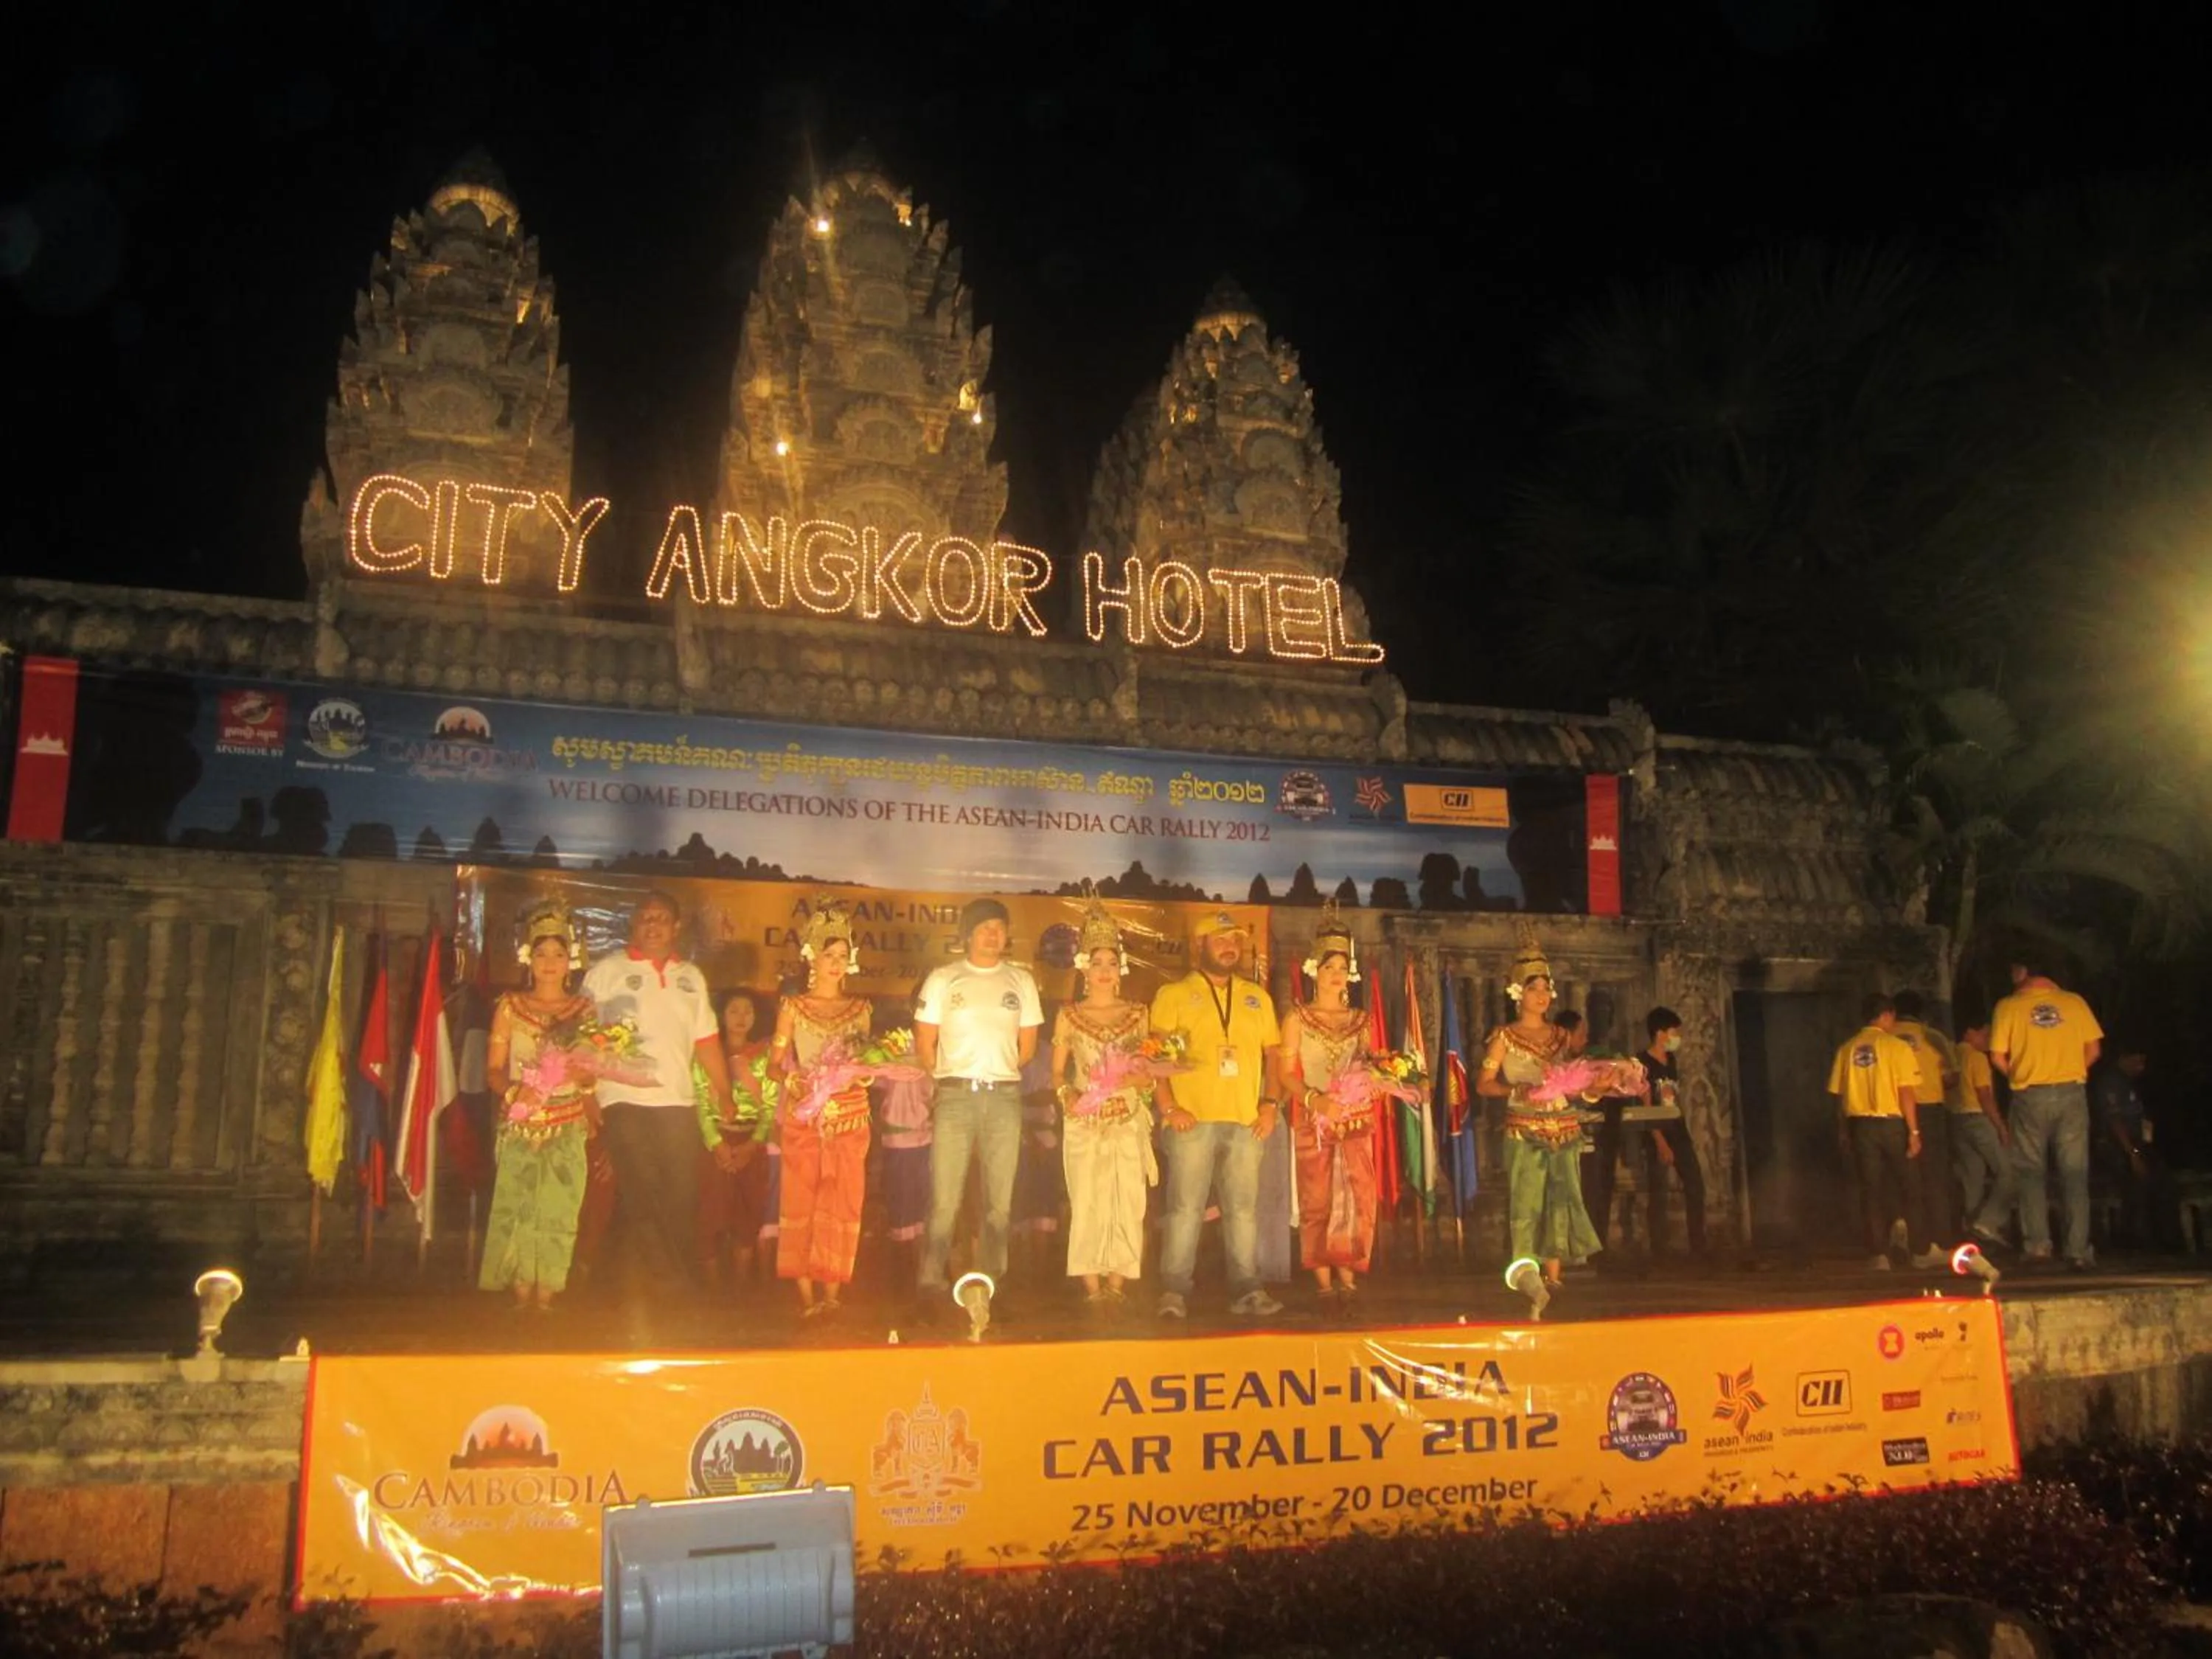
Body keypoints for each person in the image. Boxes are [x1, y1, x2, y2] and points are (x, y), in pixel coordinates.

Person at [582, 891, 734, 1295]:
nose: (653, 925)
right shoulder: (607, 972)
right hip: (622, 1098)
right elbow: (580, 1039)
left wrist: (724, 1092)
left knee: (679, 1194)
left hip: (677, 1102)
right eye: (645, 918)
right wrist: (585, 1095)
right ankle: (677, 1284)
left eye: (661, 918)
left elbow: (706, 1042)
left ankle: (607, 1282)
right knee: (641, 1185)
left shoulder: (691, 978)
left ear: (676, 926)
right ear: (634, 924)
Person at [1150, 909, 1284, 1320]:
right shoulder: (1173, 994)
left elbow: (1273, 1055)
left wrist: (1270, 1104)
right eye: (1220, 939)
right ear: (1200, 946)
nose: (1230, 947)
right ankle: (1173, 1292)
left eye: (1235, 941)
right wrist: (1168, 1107)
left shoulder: (1256, 997)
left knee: (1243, 1209)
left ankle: (1247, 1289)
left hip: (1246, 1120)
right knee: (1185, 1208)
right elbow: (1155, 1054)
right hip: (1193, 1118)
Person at [916, 898, 1045, 1309]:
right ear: (968, 934)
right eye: (984, 927)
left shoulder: (1021, 980)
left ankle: (991, 1283)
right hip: (955, 1096)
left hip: (1003, 1097)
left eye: (999, 927)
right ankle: (930, 1281)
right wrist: (951, 1076)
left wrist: (995, 1071)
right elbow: (924, 1042)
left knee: (998, 1202)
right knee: (945, 1197)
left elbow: (1027, 1049)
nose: (993, 934)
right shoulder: (944, 978)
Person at [479, 900, 599, 1310]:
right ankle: (519, 1292)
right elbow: (494, 1071)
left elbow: (591, 1073)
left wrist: (577, 1077)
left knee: (559, 1209)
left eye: (559, 954)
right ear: (528, 958)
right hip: (521, 1123)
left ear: (572, 960)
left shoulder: (583, 1011)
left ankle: (548, 1293)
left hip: (567, 1122)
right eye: (542, 953)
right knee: (518, 1206)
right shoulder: (511, 1007)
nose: (550, 963)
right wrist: (518, 1094)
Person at [1476, 922, 1601, 1292]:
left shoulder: (1562, 1037)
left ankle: (1556, 1277)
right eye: (1534, 988)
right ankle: (1527, 1275)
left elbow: (1576, 1085)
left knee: (1561, 1199)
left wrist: (1598, 1087)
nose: (1543, 995)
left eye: (1547, 988)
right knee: (1527, 1202)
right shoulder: (1505, 1037)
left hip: (1564, 1127)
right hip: (1525, 1129)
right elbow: (1484, 1084)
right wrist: (1517, 1089)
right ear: (1519, 993)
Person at [1050, 898, 1157, 1306]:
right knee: (1089, 1201)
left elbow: (1148, 1067)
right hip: (1085, 1121)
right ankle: (1092, 1289)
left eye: (1112, 962)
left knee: (1128, 1201)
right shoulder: (1070, 1015)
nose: (1105, 971)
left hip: (1127, 1117)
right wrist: (1069, 1095)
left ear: (1121, 968)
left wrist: (1138, 1077)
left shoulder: (1137, 1014)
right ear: (1084, 967)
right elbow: (1057, 1072)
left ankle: (1118, 1286)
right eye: (1097, 963)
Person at [772, 897, 875, 1316]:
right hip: (807, 1119)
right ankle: (806, 1298)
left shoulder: (861, 1010)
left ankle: (833, 1297)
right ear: (811, 957)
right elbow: (775, 1066)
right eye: (828, 954)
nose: (835, 963)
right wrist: (796, 1081)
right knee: (803, 1201)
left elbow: (866, 1061)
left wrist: (864, 1074)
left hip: (850, 1119)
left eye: (842, 955)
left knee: (843, 1201)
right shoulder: (793, 1008)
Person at [1276, 903, 1378, 1306]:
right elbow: (1286, 1075)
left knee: (1357, 1200)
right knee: (1318, 1201)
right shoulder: (1297, 1018)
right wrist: (1315, 1100)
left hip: (1355, 1121)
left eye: (1341, 967)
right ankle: (1323, 1285)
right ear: (1314, 970)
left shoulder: (1361, 1019)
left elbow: (1372, 1067)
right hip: (1316, 1121)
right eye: (1328, 966)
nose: (1335, 975)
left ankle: (1349, 1283)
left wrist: (1381, 1084)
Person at [1990, 956, 2104, 1270]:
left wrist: (2019, 1075)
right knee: (2074, 1173)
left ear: (2022, 971)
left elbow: (1998, 1056)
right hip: (2071, 1092)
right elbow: (2094, 1050)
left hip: (2029, 1095)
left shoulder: (2008, 1007)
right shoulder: (2074, 1003)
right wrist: (2071, 1070)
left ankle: (2038, 1246)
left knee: (2030, 1172)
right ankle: (2078, 1250)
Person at [1827, 992, 1941, 1270]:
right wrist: (1914, 1132)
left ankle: (1878, 1255)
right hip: (1892, 1124)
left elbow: (1839, 1097)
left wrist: (1843, 1131)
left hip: (1860, 1125)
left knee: (1871, 1191)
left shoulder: (1847, 1049)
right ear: (1887, 1014)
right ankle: (1920, 1250)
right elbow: (1906, 1092)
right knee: (1910, 1187)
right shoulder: (1896, 1047)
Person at [697, 990, 777, 1293]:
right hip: (714, 1141)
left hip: (751, 1142)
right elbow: (701, 1105)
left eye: (748, 1011)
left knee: (749, 1209)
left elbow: (770, 1106)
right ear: (721, 1015)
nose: (741, 1018)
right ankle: (712, 1288)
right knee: (710, 1210)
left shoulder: (765, 1055)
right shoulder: (707, 1053)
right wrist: (717, 1143)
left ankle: (742, 1287)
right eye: (734, 1010)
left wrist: (751, 1144)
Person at [1638, 1006, 1708, 1260]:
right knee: (1658, 1191)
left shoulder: (1672, 1062)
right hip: (1655, 1132)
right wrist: (1660, 1141)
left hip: (1678, 1129)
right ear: (1660, 1033)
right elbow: (1645, 1105)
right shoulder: (1642, 1064)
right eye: (1674, 1032)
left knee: (1695, 1185)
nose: (1677, 1037)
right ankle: (1659, 1249)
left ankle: (1698, 1246)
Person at [2091, 1043, 2178, 1251]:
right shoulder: (2111, 1082)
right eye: (2137, 1061)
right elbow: (2114, 1121)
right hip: (2116, 1147)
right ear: (2124, 1058)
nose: (2141, 1067)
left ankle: (2165, 1239)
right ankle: (2133, 1241)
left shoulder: (2130, 1083)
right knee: (2136, 1183)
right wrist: (2133, 1153)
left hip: (2138, 1144)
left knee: (2163, 1181)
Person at [1892, 991, 1958, 1246]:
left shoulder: (1885, 1037)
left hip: (1895, 1112)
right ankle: (1938, 1240)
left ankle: (1907, 1235)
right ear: (1923, 1013)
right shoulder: (1933, 1037)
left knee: (1905, 1177)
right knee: (1935, 1178)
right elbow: (1952, 1077)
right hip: (1930, 1111)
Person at [1950, 1018, 2015, 1248]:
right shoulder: (1976, 1057)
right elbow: (1984, 1095)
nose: (1990, 1041)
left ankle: (1971, 1233)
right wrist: (2000, 1126)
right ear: (1971, 1031)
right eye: (1986, 1034)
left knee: (1972, 1178)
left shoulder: (1952, 1053)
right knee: (2009, 1173)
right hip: (1978, 1118)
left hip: (1957, 1119)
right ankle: (1988, 1222)